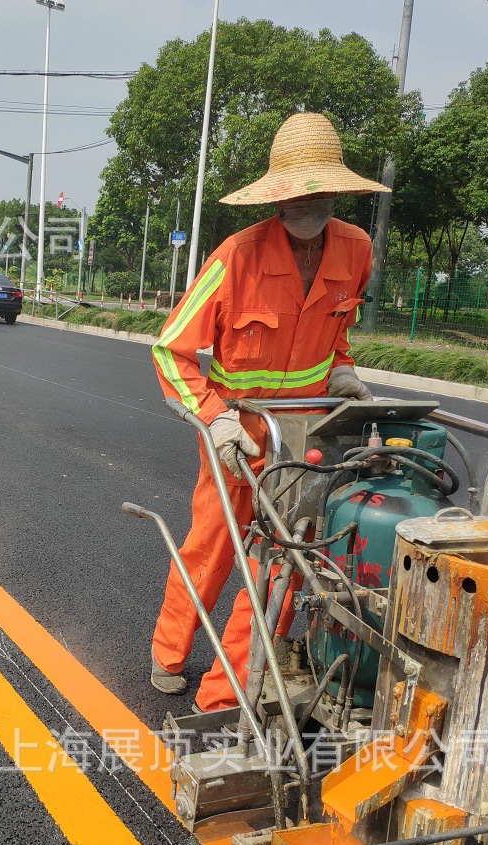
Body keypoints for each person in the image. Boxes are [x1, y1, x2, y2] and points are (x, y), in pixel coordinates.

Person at [149, 111, 388, 712]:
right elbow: (171, 348)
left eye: (320, 190)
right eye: (299, 191)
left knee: (279, 564)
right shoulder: (238, 256)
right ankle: (168, 652)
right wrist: (216, 417)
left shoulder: (356, 250)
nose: (311, 201)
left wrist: (343, 372)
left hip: (305, 433)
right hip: (239, 433)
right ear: (279, 196)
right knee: (213, 546)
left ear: (336, 191)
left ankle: (226, 694)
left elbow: (337, 332)